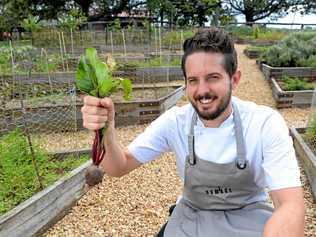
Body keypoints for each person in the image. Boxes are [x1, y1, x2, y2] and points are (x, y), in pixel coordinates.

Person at [81, 28, 305, 237]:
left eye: (213, 78)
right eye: (193, 81)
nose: (202, 91)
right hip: (192, 217)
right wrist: (105, 129)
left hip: (248, 216)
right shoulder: (175, 122)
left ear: (234, 79)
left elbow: (290, 205)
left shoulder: (264, 123)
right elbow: (119, 166)